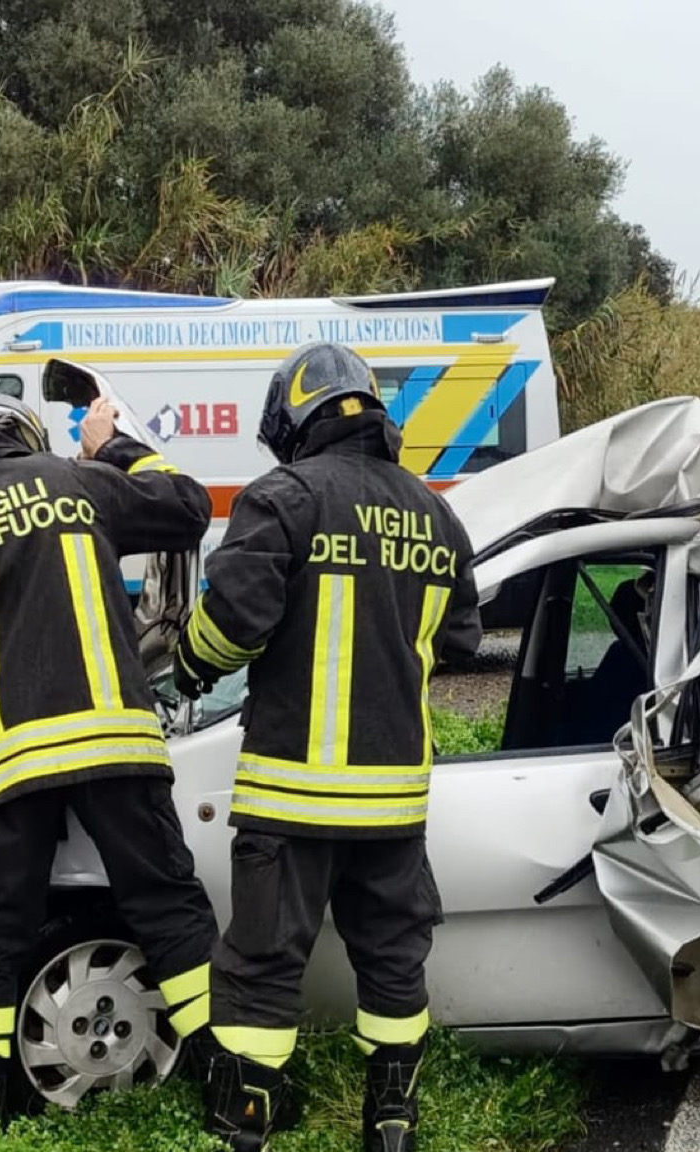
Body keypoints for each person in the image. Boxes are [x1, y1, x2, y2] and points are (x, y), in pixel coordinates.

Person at [0, 390, 219, 1118]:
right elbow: (185, 507)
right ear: (26, 436)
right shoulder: (75, 484)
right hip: (113, 744)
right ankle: (230, 1075)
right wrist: (113, 444)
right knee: (166, 904)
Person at [173, 342, 482, 1152]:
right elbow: (462, 637)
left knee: (264, 969)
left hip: (291, 798)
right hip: (394, 804)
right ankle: (390, 1127)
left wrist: (187, 663)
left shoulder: (282, 497)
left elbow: (232, 626)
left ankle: (244, 1129)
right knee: (392, 964)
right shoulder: (435, 513)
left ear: (296, 422)